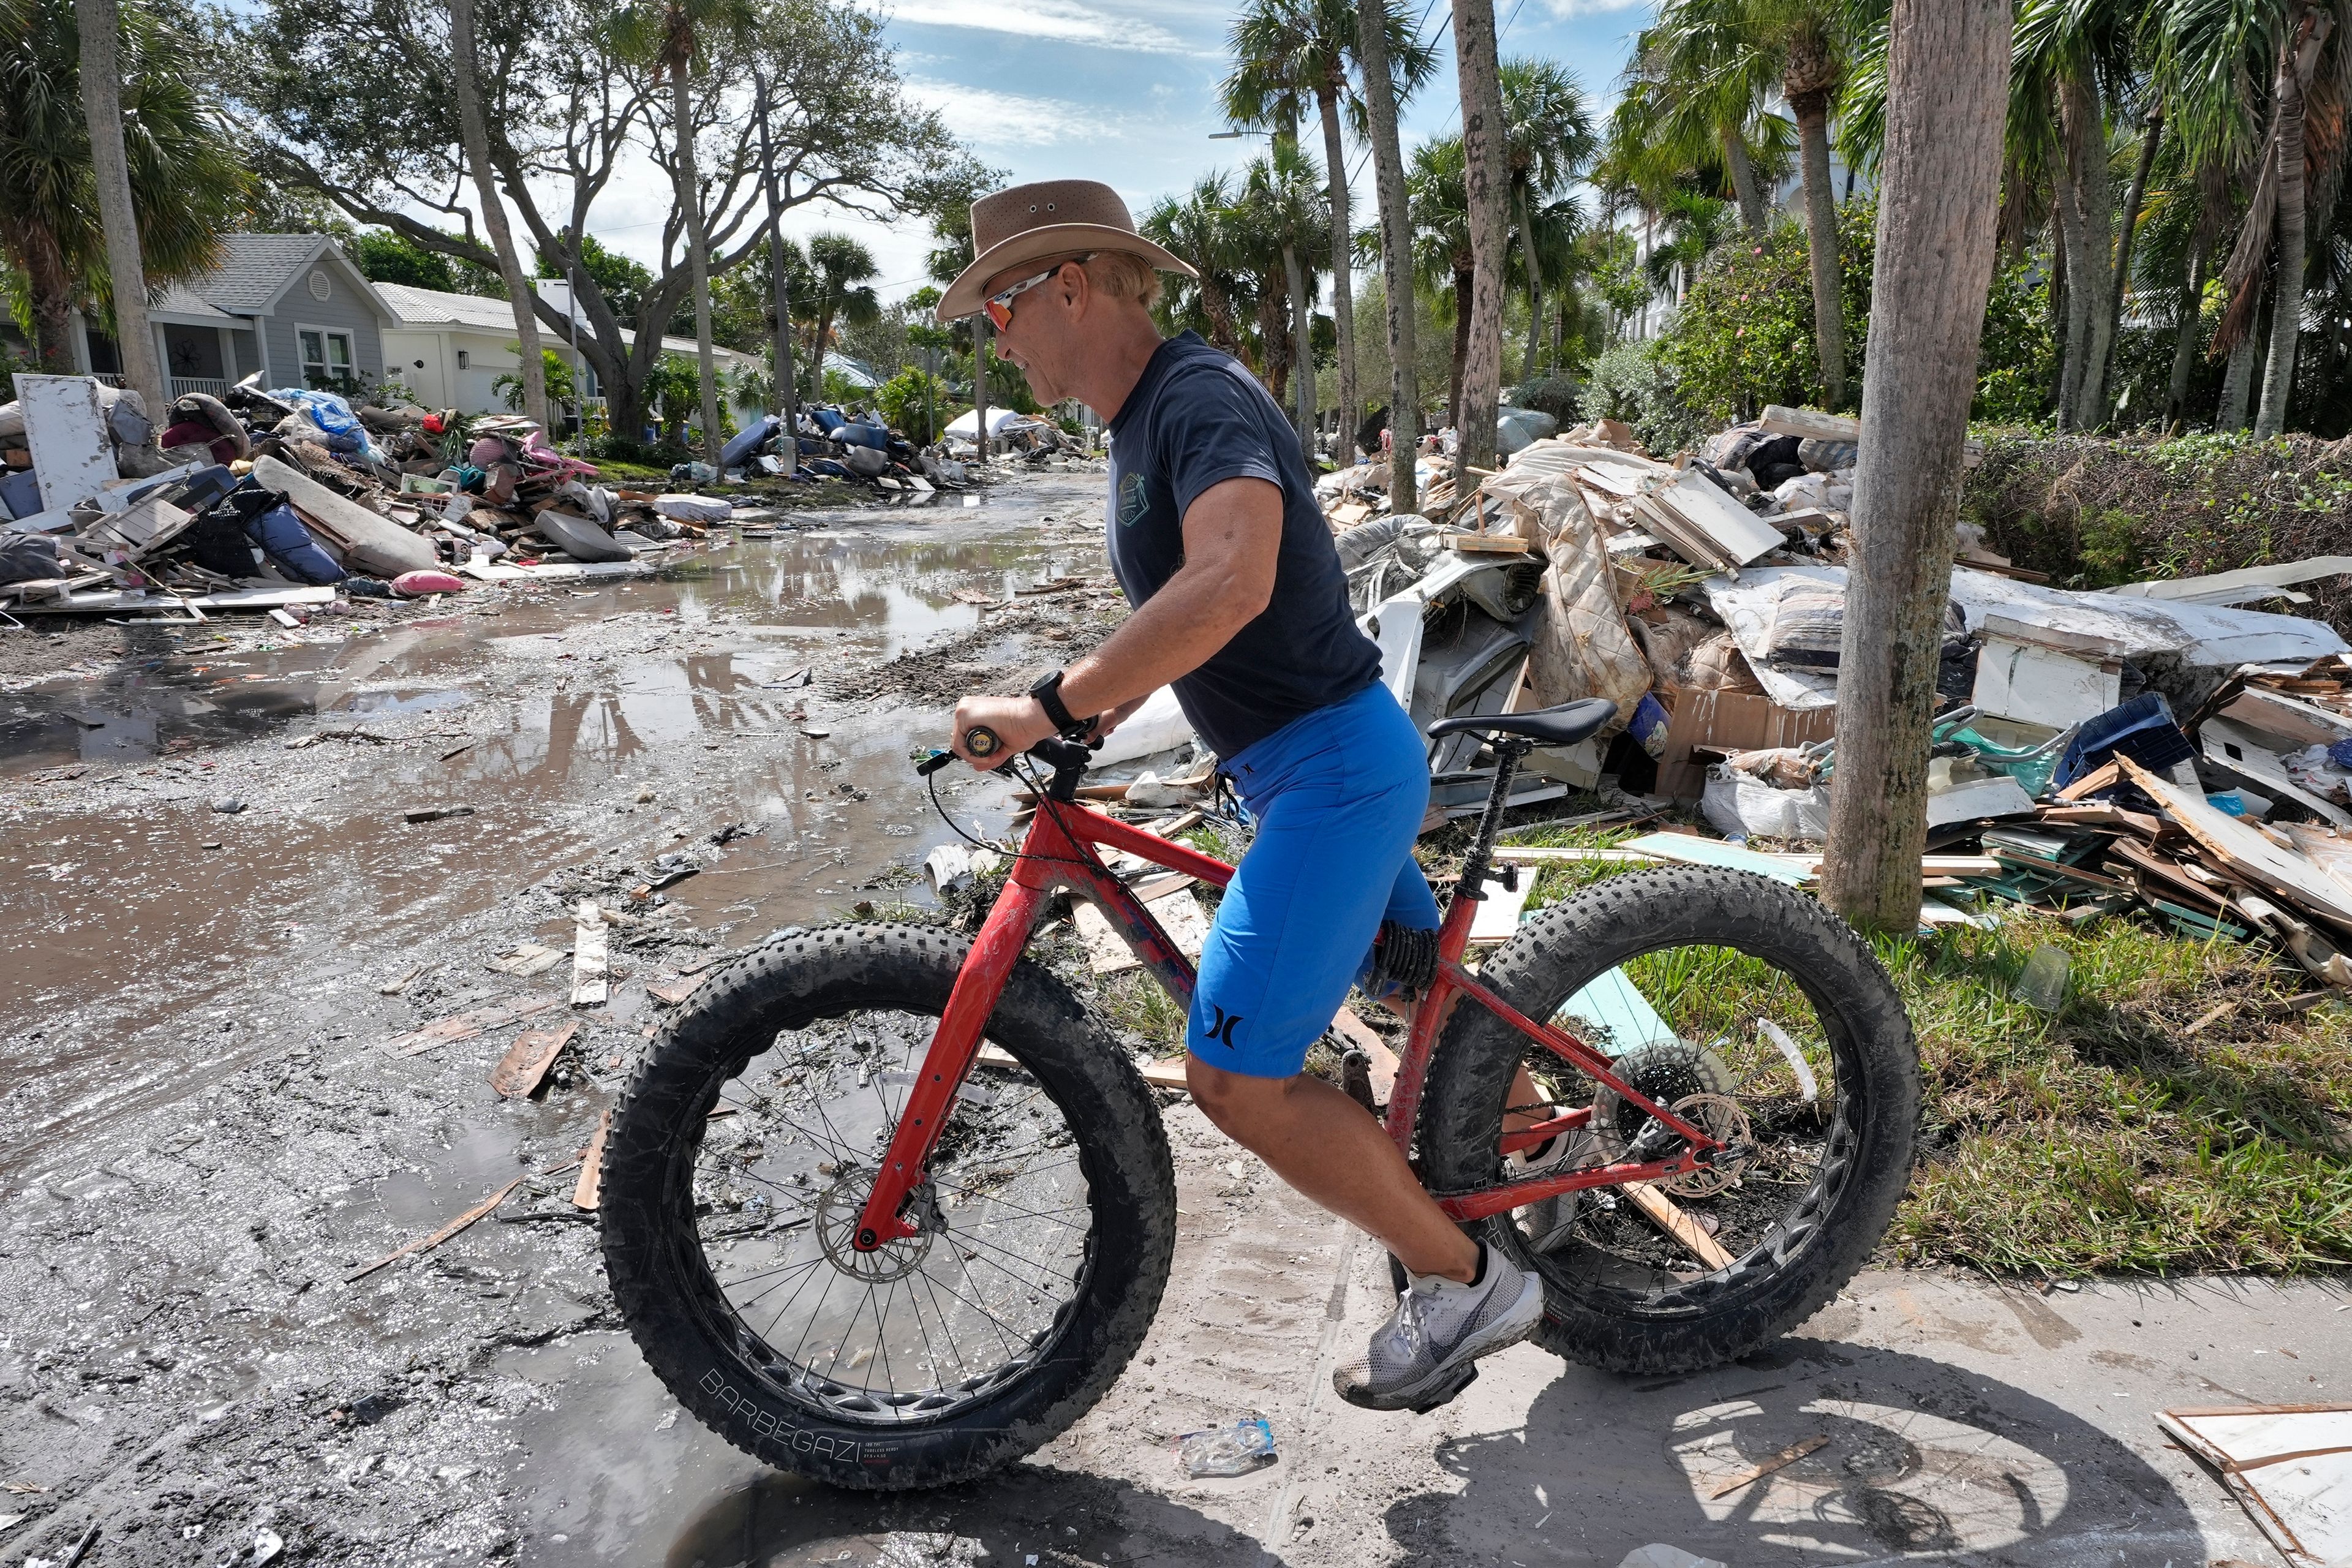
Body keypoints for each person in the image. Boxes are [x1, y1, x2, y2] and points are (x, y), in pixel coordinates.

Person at [934, 179, 1545, 1411]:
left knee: (1233, 1076)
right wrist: (1100, 701)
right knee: (1428, 1000)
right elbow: (1189, 609)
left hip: (1332, 773)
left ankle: (1471, 1280)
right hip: (1310, 764)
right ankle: (1546, 1159)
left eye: (1002, 304)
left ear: (1073, 284)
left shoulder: (1199, 400)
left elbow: (1231, 581)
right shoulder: (1142, 422)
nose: (994, 336)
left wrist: (1053, 700)